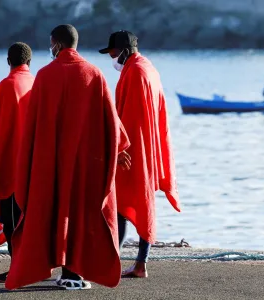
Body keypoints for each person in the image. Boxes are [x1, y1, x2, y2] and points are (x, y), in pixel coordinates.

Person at [5, 24, 131, 291]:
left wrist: (28, 161)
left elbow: (32, 127)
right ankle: (74, 272)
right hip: (87, 162)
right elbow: (111, 121)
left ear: (57, 44)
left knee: (51, 212)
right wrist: (116, 151)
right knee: (81, 213)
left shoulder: (45, 76)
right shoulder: (95, 74)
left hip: (50, 162)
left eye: (51, 44)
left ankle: (62, 269)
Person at [99, 30, 181, 278]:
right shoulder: (147, 67)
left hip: (134, 150)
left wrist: (120, 147)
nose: (111, 57)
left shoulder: (135, 72)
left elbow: (131, 119)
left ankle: (118, 262)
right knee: (139, 202)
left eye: (113, 52)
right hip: (147, 146)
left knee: (121, 203)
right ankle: (139, 262)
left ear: (124, 50)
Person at [0, 42, 35, 282]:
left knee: (11, 222)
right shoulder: (35, 82)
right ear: (29, 62)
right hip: (33, 164)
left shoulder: (8, 84)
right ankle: (34, 266)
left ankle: (18, 268)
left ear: (8, 61)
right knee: (30, 219)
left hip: (11, 166)